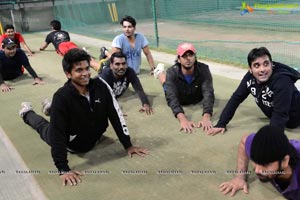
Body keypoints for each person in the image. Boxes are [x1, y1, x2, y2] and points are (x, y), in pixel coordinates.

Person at [19, 48, 148, 186]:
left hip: (92, 133)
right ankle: (27, 113)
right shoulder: (62, 97)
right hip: (72, 143)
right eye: (79, 70)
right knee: (45, 128)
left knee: (74, 112)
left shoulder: (100, 86)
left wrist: (128, 145)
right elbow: (57, 136)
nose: (86, 73)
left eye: (87, 68)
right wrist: (63, 168)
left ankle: (51, 109)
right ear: (68, 74)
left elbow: (115, 115)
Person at [208, 47, 300, 135]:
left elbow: (280, 114)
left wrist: (272, 141)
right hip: (280, 118)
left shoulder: (282, 81)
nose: (262, 69)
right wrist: (221, 123)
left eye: (266, 64)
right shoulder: (250, 78)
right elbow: (236, 98)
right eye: (257, 65)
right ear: (250, 69)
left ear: (271, 65)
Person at [220, 125, 300, 199]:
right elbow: (244, 141)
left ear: (285, 161)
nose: (257, 170)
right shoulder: (260, 148)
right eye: (255, 161)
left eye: (265, 164)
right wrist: (239, 177)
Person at [154, 42, 215, 133]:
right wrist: (183, 120)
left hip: (196, 97)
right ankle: (159, 72)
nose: (188, 58)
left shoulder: (204, 69)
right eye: (184, 56)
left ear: (195, 57)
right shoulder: (171, 72)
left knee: (168, 83)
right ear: (178, 59)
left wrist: (206, 117)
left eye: (190, 55)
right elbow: (171, 98)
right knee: (165, 84)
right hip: (180, 97)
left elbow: (208, 92)